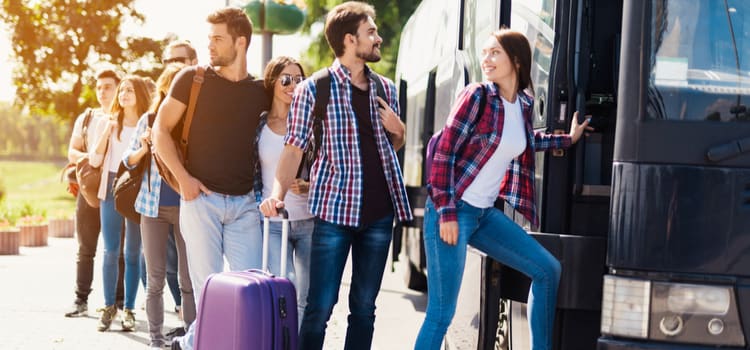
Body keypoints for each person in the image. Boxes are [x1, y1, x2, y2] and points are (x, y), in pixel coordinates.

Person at [414, 29, 592, 350]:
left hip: (483, 215)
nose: (486, 59)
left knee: (548, 270)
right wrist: (447, 212)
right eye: (484, 53)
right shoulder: (477, 96)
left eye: (494, 52)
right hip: (452, 210)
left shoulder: (521, 104)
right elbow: (442, 151)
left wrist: (568, 139)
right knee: (442, 312)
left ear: (517, 60)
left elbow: (525, 141)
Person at [259, 2, 413, 349]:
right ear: (349, 39)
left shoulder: (386, 89)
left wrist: (399, 130)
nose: (379, 37)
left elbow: (394, 145)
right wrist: (277, 195)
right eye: (371, 32)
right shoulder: (313, 89)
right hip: (334, 214)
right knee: (320, 307)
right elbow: (293, 150)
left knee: (364, 309)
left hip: (379, 215)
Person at [152, 7, 269, 350]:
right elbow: (160, 130)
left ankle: (187, 346)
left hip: (245, 205)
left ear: (241, 42)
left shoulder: (260, 90)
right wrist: (183, 179)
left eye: (218, 39)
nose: (211, 46)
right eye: (209, 39)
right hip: (200, 201)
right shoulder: (192, 79)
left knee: (249, 294)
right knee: (209, 296)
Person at [122, 63, 195, 349]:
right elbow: (127, 160)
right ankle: (155, 339)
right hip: (152, 208)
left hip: (187, 206)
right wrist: (142, 147)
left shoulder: (194, 120)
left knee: (187, 280)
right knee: (155, 279)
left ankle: (191, 337)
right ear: (165, 87)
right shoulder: (149, 119)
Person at [89, 75, 152, 332]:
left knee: (133, 252)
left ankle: (129, 308)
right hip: (112, 185)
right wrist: (106, 131)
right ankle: (108, 307)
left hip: (136, 186)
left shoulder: (147, 122)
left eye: (130, 90)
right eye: (122, 90)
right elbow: (94, 160)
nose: (124, 94)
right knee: (110, 250)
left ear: (139, 94)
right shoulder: (109, 123)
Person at [65, 69, 127, 317]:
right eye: (99, 87)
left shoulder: (128, 119)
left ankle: (121, 305)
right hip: (89, 192)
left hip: (117, 192)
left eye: (108, 87)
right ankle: (80, 300)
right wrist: (93, 160)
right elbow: (72, 152)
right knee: (86, 248)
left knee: (119, 250)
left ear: (119, 88)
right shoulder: (87, 118)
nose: (102, 92)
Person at [256, 56, 311, 329]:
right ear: (272, 82)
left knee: (305, 296)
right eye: (286, 79)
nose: (293, 85)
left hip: (310, 220)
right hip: (273, 224)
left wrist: (310, 184)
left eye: (299, 80)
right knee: (282, 285)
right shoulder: (258, 125)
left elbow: (329, 165)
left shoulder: (312, 124)